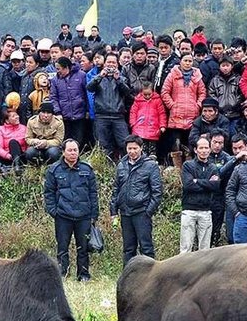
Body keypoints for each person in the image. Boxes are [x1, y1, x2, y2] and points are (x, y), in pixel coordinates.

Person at [43, 138, 98, 281]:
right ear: (63, 151)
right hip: (63, 216)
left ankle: (83, 275)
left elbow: (93, 193)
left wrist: (94, 215)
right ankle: (63, 274)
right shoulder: (54, 170)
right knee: (62, 248)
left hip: (84, 215)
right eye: (70, 150)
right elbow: (48, 193)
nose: (73, 153)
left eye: (75, 150)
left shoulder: (87, 169)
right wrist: (54, 211)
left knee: (84, 248)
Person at [110, 135, 162, 266]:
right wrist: (113, 210)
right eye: (129, 148)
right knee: (128, 248)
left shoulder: (150, 166)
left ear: (141, 148)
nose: (132, 151)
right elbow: (116, 188)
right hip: (125, 212)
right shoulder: (121, 165)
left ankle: (150, 276)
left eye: (135, 148)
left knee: (146, 248)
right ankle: (128, 276)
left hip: (141, 212)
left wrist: (148, 211)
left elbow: (157, 192)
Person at [87, 52, 131, 160]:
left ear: (117, 64)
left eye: (113, 62)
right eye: (108, 62)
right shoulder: (98, 77)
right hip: (101, 115)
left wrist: (118, 80)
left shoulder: (122, 78)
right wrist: (100, 77)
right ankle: (105, 167)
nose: (111, 65)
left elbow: (127, 92)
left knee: (124, 142)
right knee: (103, 144)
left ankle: (126, 164)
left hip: (118, 116)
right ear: (104, 64)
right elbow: (89, 88)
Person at [179, 137, 218, 252]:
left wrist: (197, 181)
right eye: (201, 148)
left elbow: (215, 186)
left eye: (206, 148)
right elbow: (188, 185)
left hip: (206, 211)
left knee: (205, 250)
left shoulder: (213, 167)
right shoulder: (188, 165)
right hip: (189, 210)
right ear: (196, 150)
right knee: (186, 248)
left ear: (210, 150)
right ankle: (182, 270)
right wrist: (207, 183)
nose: (204, 150)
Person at [129, 82, 166, 157]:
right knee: (142, 148)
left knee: (152, 150)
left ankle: (152, 163)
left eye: (149, 94)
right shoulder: (137, 101)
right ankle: (142, 162)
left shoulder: (157, 100)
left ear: (153, 91)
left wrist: (162, 125)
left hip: (153, 128)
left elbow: (162, 113)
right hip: (139, 129)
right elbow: (133, 113)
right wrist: (133, 124)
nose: (147, 96)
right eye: (145, 94)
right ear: (141, 92)